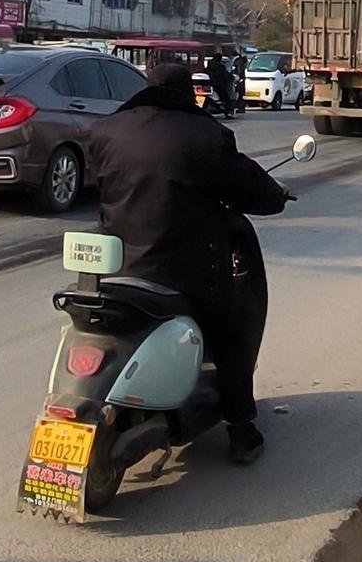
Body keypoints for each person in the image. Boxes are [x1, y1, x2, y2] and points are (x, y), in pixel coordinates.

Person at [83, 60, 289, 463]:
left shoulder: (106, 131)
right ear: (185, 94)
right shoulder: (207, 136)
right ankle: (241, 427)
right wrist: (276, 195)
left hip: (114, 271)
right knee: (230, 329)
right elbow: (251, 187)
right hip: (183, 275)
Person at [206, 50, 235, 117]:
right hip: (218, 85)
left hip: (209, 85)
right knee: (225, 97)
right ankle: (229, 111)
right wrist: (231, 77)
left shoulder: (209, 66)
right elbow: (226, 75)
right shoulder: (220, 67)